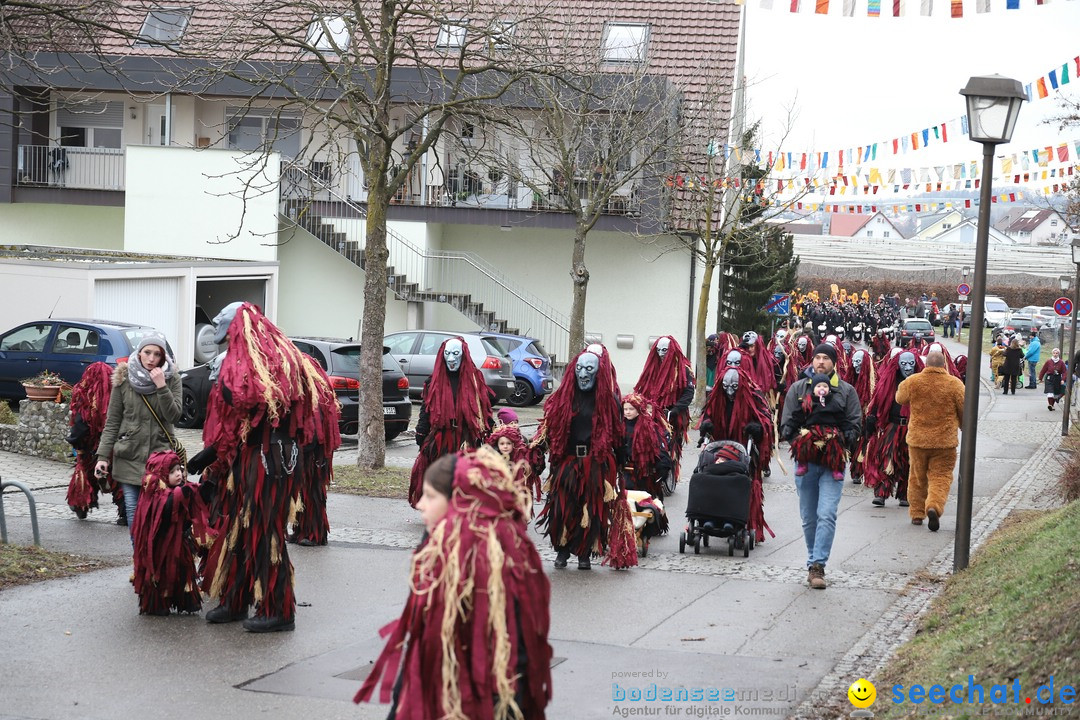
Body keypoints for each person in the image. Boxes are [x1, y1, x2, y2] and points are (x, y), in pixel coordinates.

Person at [354, 448, 553, 719]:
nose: (421, 504)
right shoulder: (436, 543)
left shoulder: (500, 562)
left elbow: (514, 653)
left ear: (459, 502)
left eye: (431, 496)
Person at [195, 302, 339, 633]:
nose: (215, 322)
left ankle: (278, 609)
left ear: (239, 325)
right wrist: (214, 454)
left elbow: (258, 401)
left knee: (263, 531)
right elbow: (238, 420)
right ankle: (236, 599)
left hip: (270, 462)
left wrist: (228, 387)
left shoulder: (274, 361)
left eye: (222, 319)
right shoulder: (243, 358)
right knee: (236, 528)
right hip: (246, 459)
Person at [531, 347, 634, 570]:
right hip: (567, 462)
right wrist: (537, 451)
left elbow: (617, 434)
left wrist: (623, 459)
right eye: (579, 368)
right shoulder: (562, 399)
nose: (583, 374)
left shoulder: (609, 402)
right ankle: (562, 550)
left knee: (591, 509)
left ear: (598, 373)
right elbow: (549, 429)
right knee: (562, 507)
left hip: (595, 463)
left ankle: (584, 552)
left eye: (589, 369)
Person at [779, 343, 862, 589]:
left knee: (827, 513)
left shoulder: (846, 391)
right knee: (808, 517)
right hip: (806, 461)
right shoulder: (798, 388)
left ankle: (817, 566)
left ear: (834, 362)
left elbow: (855, 424)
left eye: (826, 358)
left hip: (833, 461)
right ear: (812, 361)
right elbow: (787, 423)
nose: (821, 362)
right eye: (817, 358)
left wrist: (837, 440)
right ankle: (813, 560)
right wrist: (803, 442)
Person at [95, 333, 183, 532]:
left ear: (163, 356)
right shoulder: (124, 378)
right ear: (139, 353)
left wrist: (161, 386)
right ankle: (140, 560)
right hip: (129, 455)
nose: (151, 359)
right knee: (134, 516)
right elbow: (113, 421)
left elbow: (174, 416)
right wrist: (102, 457)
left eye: (157, 354)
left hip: (160, 459)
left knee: (158, 517)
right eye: (147, 353)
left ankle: (154, 559)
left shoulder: (172, 378)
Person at [409, 336, 493, 507]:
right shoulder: (433, 382)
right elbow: (426, 409)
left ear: (463, 355)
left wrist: (491, 434)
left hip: (465, 438)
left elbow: (484, 409)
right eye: (447, 353)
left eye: (456, 353)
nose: (451, 358)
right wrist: (421, 433)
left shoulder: (474, 380)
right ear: (442, 355)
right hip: (440, 438)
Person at [131, 450, 212, 615]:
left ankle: (188, 600)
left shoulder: (182, 488)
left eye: (179, 469)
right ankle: (157, 604)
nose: (178, 474)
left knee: (184, 570)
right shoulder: (154, 493)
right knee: (163, 573)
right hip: (161, 545)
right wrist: (179, 495)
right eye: (173, 471)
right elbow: (165, 510)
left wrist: (206, 489)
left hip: (180, 540)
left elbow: (193, 505)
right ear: (162, 474)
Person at [699, 365, 774, 543]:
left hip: (744, 448)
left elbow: (765, 418)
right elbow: (707, 413)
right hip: (720, 449)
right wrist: (707, 424)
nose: (730, 391)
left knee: (746, 482)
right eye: (726, 387)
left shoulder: (754, 396)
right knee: (713, 480)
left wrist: (757, 428)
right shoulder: (717, 397)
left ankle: (747, 522)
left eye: (734, 387)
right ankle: (713, 516)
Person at [895, 352, 964, 532]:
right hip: (945, 441)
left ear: (925, 363)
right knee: (941, 478)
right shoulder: (955, 384)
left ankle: (917, 514)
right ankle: (933, 506)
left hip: (918, 440)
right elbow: (964, 409)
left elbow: (900, 398)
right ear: (944, 365)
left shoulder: (914, 381)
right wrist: (963, 426)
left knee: (917, 477)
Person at [66, 362, 125, 523]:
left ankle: (82, 503)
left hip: (89, 450)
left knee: (86, 475)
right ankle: (125, 512)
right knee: (117, 480)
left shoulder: (84, 399)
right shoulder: (119, 397)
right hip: (114, 448)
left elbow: (80, 425)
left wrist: (75, 442)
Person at [633, 335, 694, 481]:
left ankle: (669, 470)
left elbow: (688, 393)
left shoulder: (683, 370)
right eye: (659, 350)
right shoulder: (653, 369)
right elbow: (644, 388)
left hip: (674, 414)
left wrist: (675, 410)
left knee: (671, 443)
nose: (661, 354)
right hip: (653, 411)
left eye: (665, 350)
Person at [789, 374, 849, 482]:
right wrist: (790, 426)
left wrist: (848, 429)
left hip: (830, 430)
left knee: (836, 444)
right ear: (813, 389)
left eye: (825, 386)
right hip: (811, 429)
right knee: (803, 440)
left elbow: (841, 418)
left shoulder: (833, 402)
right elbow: (798, 416)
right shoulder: (807, 402)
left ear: (829, 389)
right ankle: (802, 463)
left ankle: (837, 468)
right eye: (819, 386)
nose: (822, 389)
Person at [618, 392, 672, 500]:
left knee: (647, 503)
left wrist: (663, 467)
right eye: (625, 409)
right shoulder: (620, 426)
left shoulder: (649, 426)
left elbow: (659, 447)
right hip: (627, 471)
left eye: (631, 409)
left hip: (645, 473)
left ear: (639, 409)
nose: (627, 412)